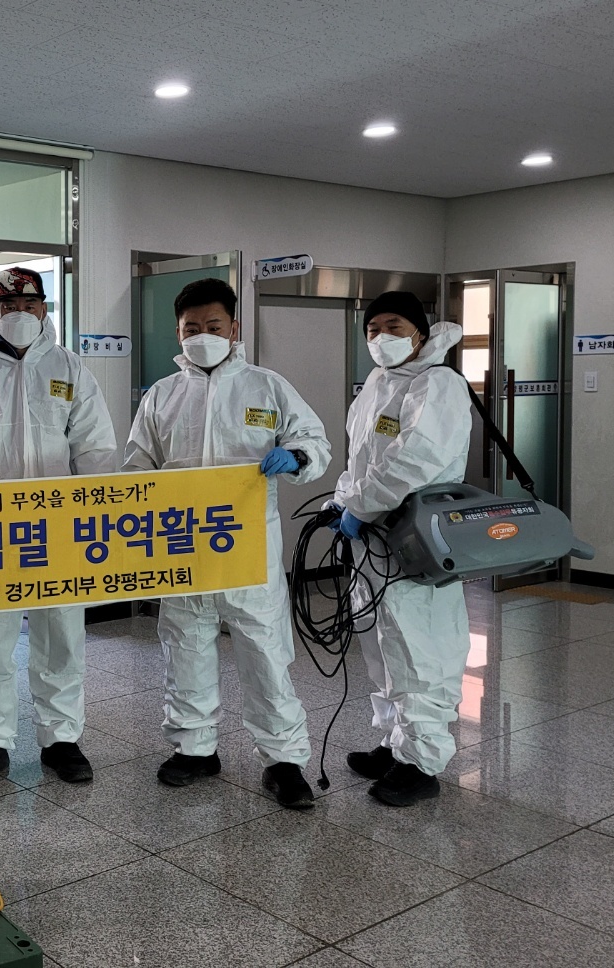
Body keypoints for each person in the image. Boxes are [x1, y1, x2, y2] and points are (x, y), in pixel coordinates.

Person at [123, 278, 330, 809]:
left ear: (234, 328)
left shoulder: (266, 387)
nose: (202, 335)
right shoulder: (161, 396)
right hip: (182, 546)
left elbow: (313, 440)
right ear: (178, 333)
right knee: (185, 647)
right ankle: (194, 749)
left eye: (213, 325)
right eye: (191, 328)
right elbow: (137, 464)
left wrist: (296, 456)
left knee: (264, 653)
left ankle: (284, 761)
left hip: (248, 550)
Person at [0, 266, 117, 788]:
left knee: (62, 635)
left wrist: (93, 509)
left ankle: (61, 738)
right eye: (9, 306)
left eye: (30, 305)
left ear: (44, 309)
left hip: (58, 528)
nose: (20, 314)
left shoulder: (68, 367)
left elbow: (95, 445)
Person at [331, 290, 473, 807]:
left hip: (416, 538)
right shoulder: (378, 382)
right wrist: (342, 499)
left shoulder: (439, 384)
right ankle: (397, 742)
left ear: (420, 332)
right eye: (372, 329)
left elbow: (413, 461)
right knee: (382, 643)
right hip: (375, 538)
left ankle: (423, 761)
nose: (381, 337)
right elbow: (362, 457)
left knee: (420, 649)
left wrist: (359, 504)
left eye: (393, 326)